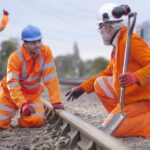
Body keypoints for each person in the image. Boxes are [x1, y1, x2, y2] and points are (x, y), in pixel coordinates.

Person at [66, 3, 150, 137]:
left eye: (101, 27)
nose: (101, 31)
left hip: (143, 101)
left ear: (107, 26)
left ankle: (134, 122)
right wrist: (83, 88)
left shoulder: (131, 42)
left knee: (112, 129)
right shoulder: (118, 45)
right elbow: (107, 73)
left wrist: (136, 77)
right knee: (99, 83)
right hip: (130, 100)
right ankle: (124, 118)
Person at [0, 25, 64, 129]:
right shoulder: (15, 58)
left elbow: (51, 77)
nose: (38, 45)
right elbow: (12, 84)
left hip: (32, 96)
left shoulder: (46, 52)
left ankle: (22, 120)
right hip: (10, 95)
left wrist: (56, 101)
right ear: (25, 43)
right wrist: (23, 104)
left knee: (37, 120)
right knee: (0, 124)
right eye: (33, 42)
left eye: (39, 41)